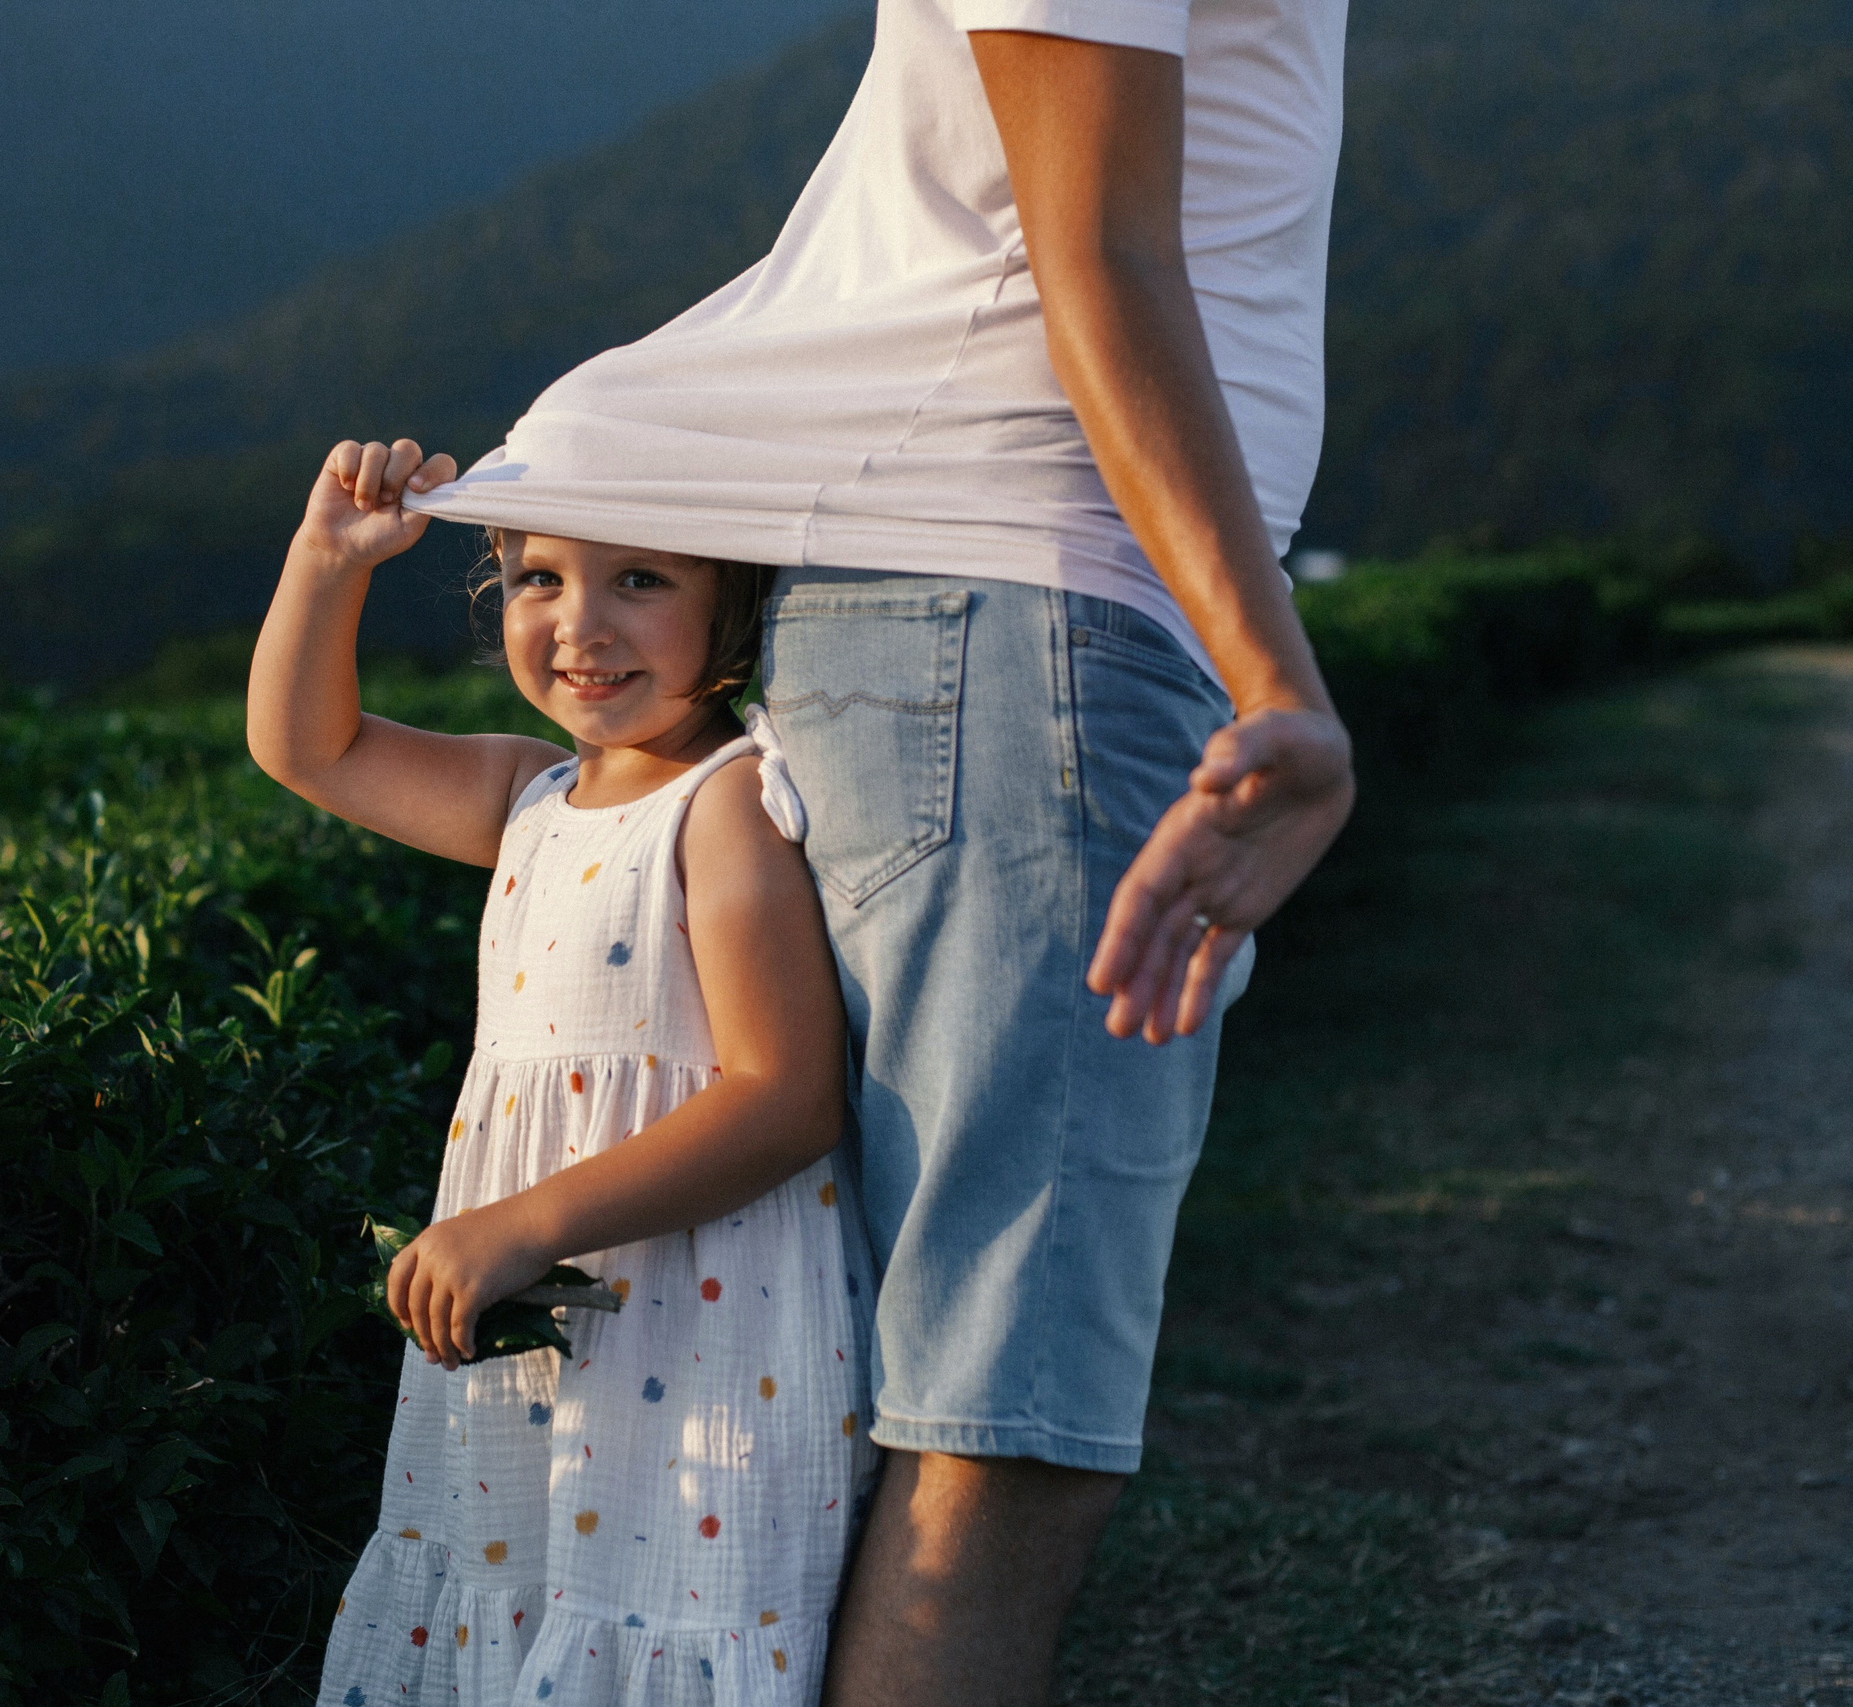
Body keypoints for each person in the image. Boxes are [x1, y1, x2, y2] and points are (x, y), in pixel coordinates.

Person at [402, 2, 1359, 1700]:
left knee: (954, 1397)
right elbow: (1102, 255)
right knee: (1006, 1420)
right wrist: (1276, 669)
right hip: (1030, 615)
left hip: (1008, 634)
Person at [251, 437, 881, 1704]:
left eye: (640, 579)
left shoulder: (725, 803)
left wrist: (519, 1225)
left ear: (734, 607)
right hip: (543, 1332)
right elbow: (305, 750)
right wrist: (327, 560)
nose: (580, 625)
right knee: (529, 1593)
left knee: (663, 1614)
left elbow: (785, 1094)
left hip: (706, 1325)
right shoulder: (526, 796)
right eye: (540, 578)